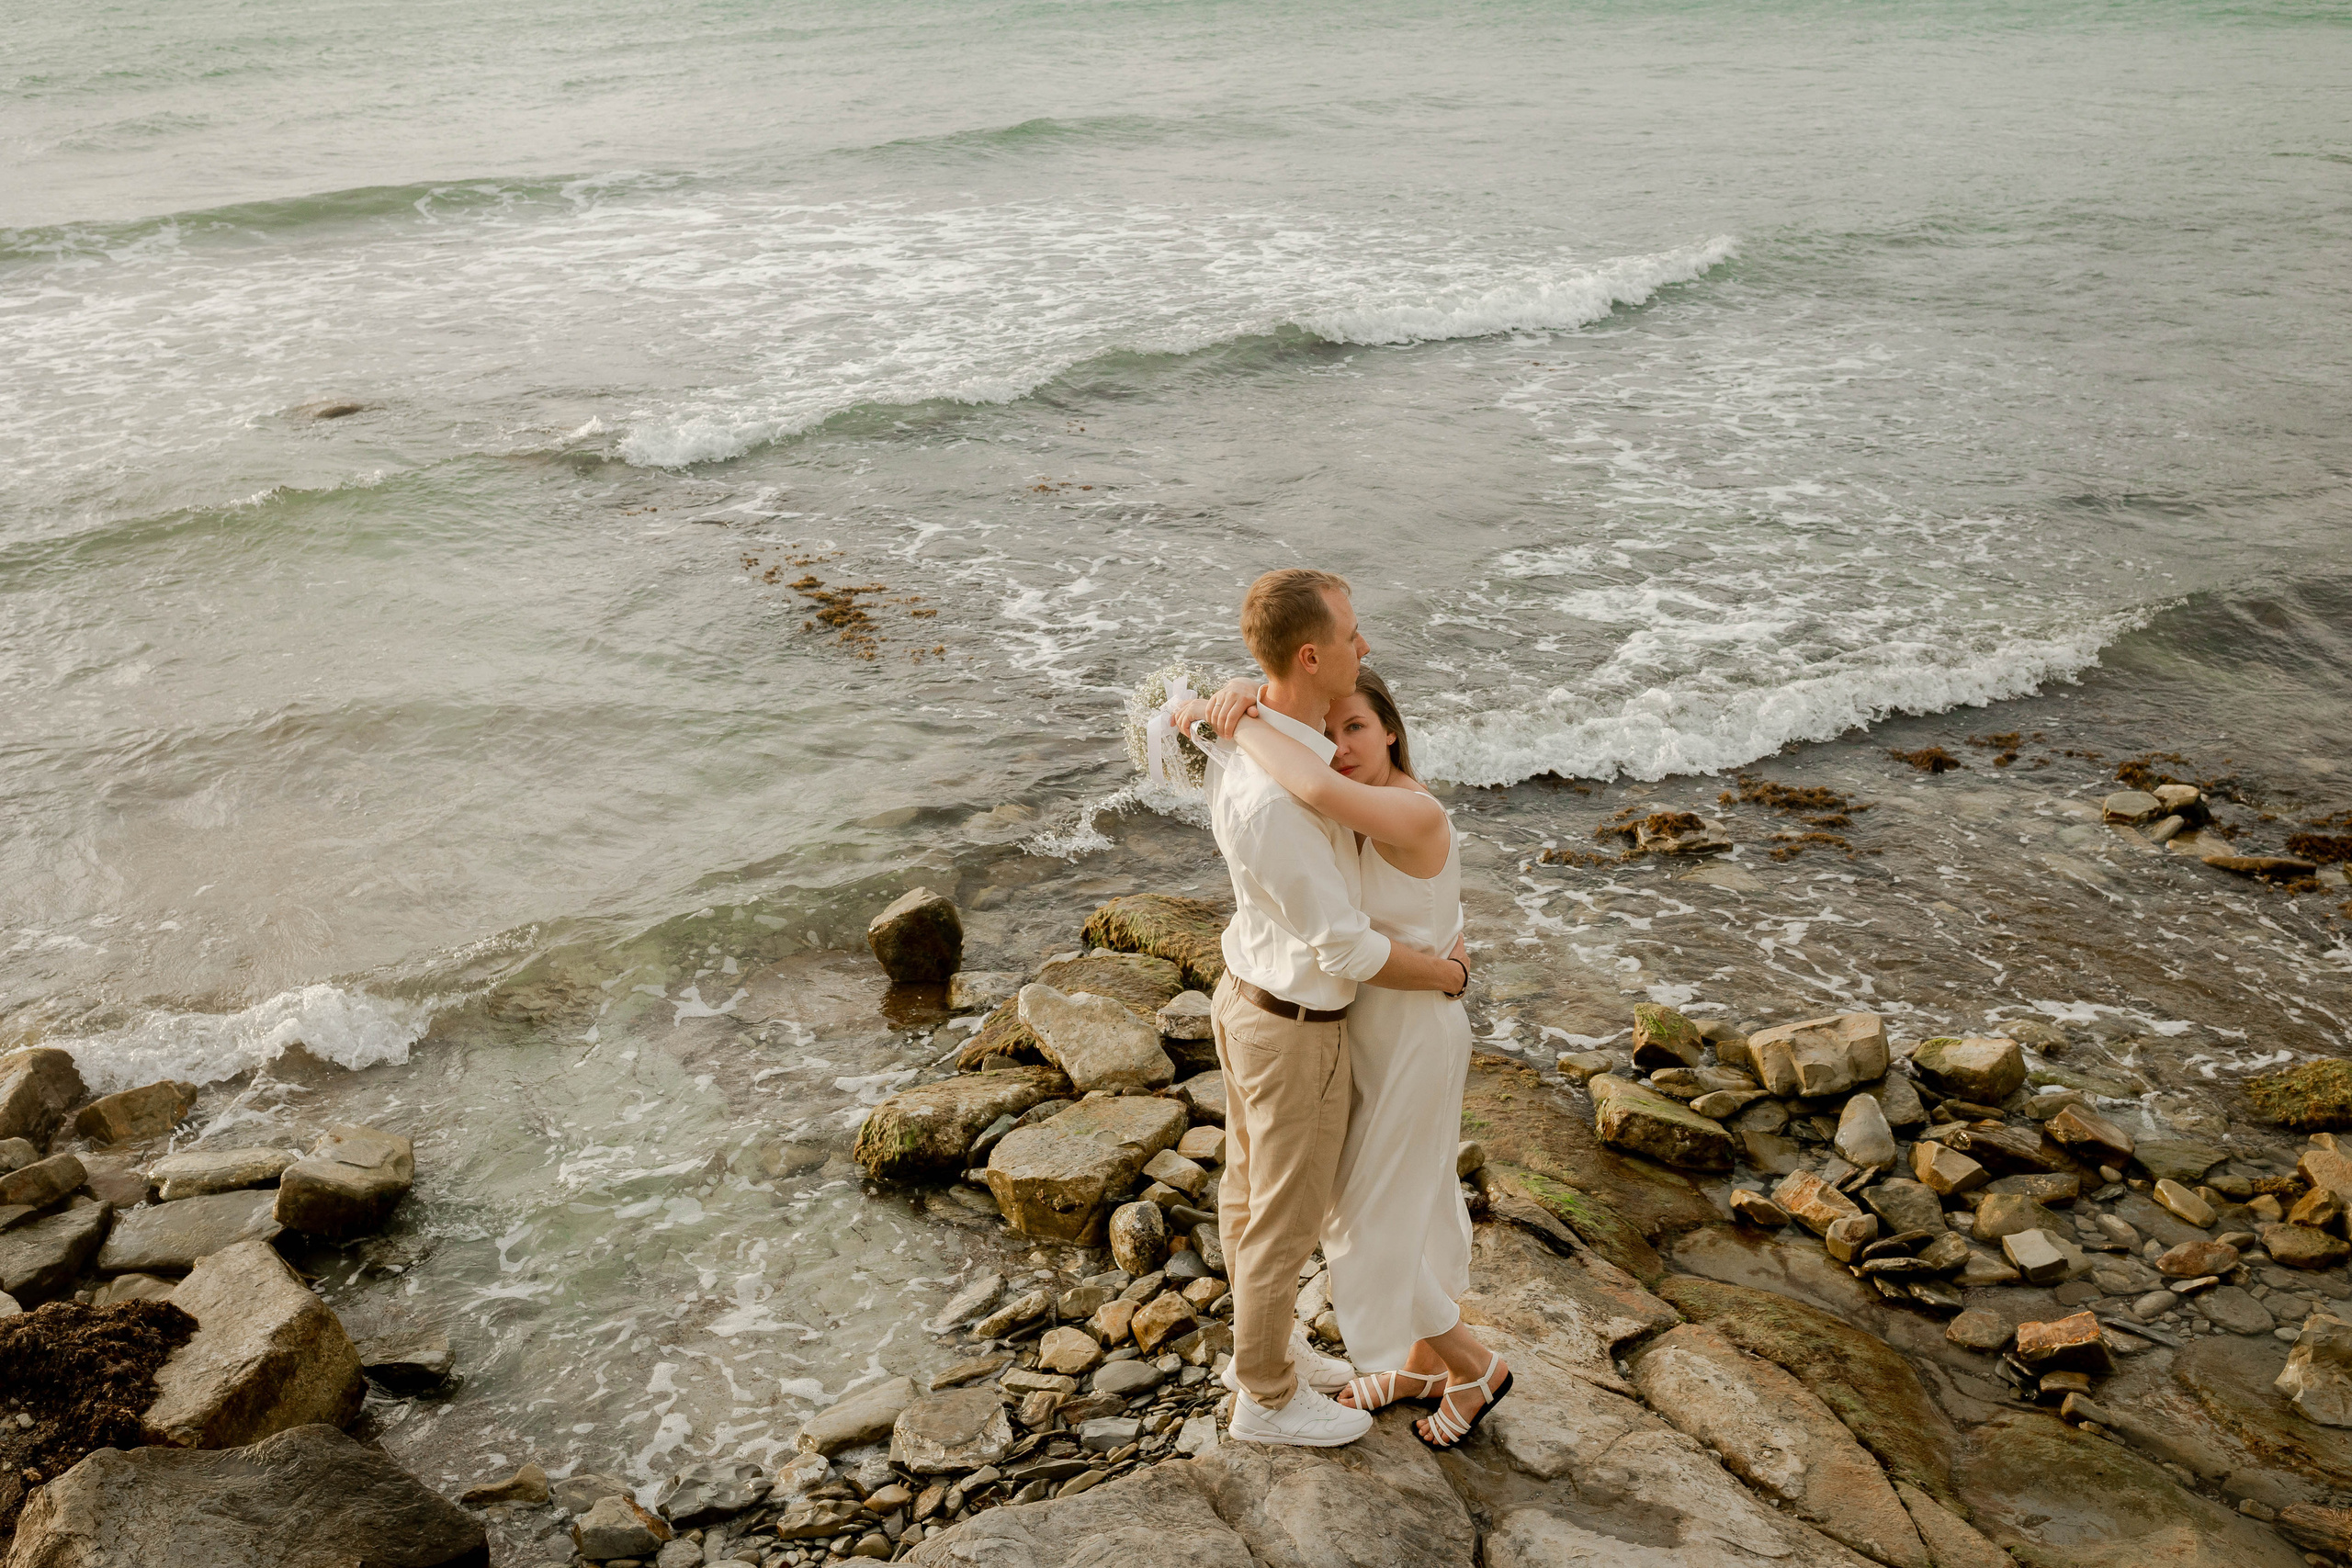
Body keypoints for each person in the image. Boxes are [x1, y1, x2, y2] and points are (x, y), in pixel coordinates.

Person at [1168, 568, 1473, 1449]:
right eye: (1351, 633)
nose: (1363, 644)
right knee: (1285, 1217)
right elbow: (1347, 948)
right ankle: (1264, 1396)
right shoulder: (1279, 792)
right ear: (1312, 655)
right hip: (1293, 1025)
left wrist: (1239, 703)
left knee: (1250, 1193)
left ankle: (1266, 1350)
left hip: (1255, 995)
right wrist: (1447, 974)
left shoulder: (1276, 738)